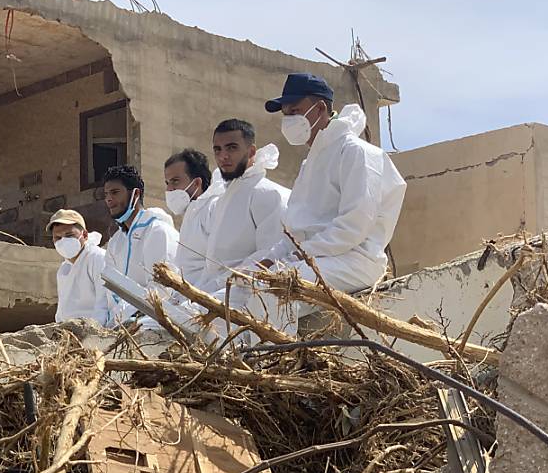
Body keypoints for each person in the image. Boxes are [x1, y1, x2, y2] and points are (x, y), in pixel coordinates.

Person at [250, 72, 407, 334]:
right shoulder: (309, 164)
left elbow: (353, 226)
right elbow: (295, 230)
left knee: (275, 289)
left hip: (356, 259)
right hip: (316, 259)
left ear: (320, 108)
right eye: (286, 113)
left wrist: (301, 255)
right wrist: (269, 259)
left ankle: (275, 357)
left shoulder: (357, 152)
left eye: (295, 111)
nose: (289, 120)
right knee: (247, 285)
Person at [197, 119, 290, 294]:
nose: (223, 156)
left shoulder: (267, 193)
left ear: (251, 151)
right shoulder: (224, 199)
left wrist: (223, 283)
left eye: (231, 148)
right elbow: (213, 266)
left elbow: (271, 254)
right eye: (218, 149)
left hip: (246, 292)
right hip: (214, 290)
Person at [102, 165, 179, 326]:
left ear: (135, 194)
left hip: (155, 323)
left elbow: (162, 290)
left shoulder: (159, 231)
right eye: (106, 194)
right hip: (121, 323)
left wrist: (129, 318)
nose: (108, 199)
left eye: (115, 192)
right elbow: (110, 293)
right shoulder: (115, 242)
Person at [163, 148, 224, 288]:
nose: (169, 189)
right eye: (167, 183)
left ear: (197, 183)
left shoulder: (213, 208)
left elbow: (217, 266)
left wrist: (196, 299)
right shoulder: (192, 212)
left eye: (175, 181)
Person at [47, 209, 108, 325]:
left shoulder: (97, 258)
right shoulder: (64, 269)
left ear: (84, 235)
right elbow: (62, 311)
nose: (63, 241)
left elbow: (104, 304)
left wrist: (95, 332)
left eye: (69, 235)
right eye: (58, 238)